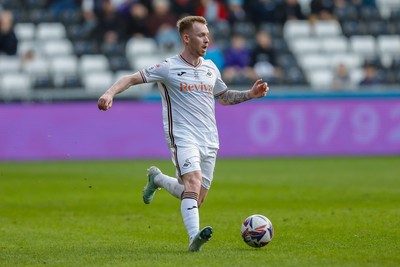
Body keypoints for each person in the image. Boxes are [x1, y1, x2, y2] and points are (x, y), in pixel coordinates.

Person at [97, 15, 269, 252]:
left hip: (209, 139)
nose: (207, 40)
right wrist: (109, 93)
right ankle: (193, 239)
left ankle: (157, 179)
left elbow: (224, 98)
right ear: (187, 38)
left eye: (207, 35)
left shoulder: (210, 68)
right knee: (193, 182)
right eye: (201, 35)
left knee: (195, 198)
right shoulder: (169, 67)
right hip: (182, 136)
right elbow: (131, 78)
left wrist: (250, 94)